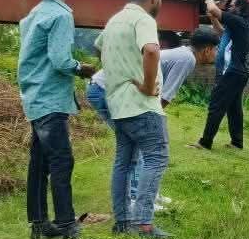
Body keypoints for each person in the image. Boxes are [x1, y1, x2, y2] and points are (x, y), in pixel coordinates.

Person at [87, 29, 219, 215]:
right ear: (207, 50)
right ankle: (136, 201)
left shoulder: (182, 54)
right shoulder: (187, 59)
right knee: (138, 146)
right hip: (106, 91)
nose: (216, 54)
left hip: (106, 88)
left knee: (140, 146)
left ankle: (148, 194)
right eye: (216, 49)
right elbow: (165, 98)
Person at [17, 0, 96, 239]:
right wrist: (83, 69)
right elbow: (61, 60)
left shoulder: (35, 13)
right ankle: (66, 225)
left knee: (39, 162)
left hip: (34, 97)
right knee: (62, 161)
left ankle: (39, 224)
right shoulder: (61, 14)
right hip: (51, 98)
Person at [96, 0, 170, 239]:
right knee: (156, 157)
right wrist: (150, 87)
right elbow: (151, 51)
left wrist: (121, 70)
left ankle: (123, 222)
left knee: (123, 163)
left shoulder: (114, 20)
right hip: (141, 105)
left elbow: (99, 48)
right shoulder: (144, 19)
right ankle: (143, 223)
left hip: (117, 104)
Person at [193, 0, 249, 150]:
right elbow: (221, 32)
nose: (229, 7)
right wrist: (213, 18)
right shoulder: (238, 26)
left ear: (240, 8)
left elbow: (213, 8)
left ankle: (205, 143)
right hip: (238, 73)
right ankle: (237, 143)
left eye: (232, 5)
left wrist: (209, 2)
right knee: (234, 108)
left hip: (232, 72)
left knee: (216, 104)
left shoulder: (239, 21)